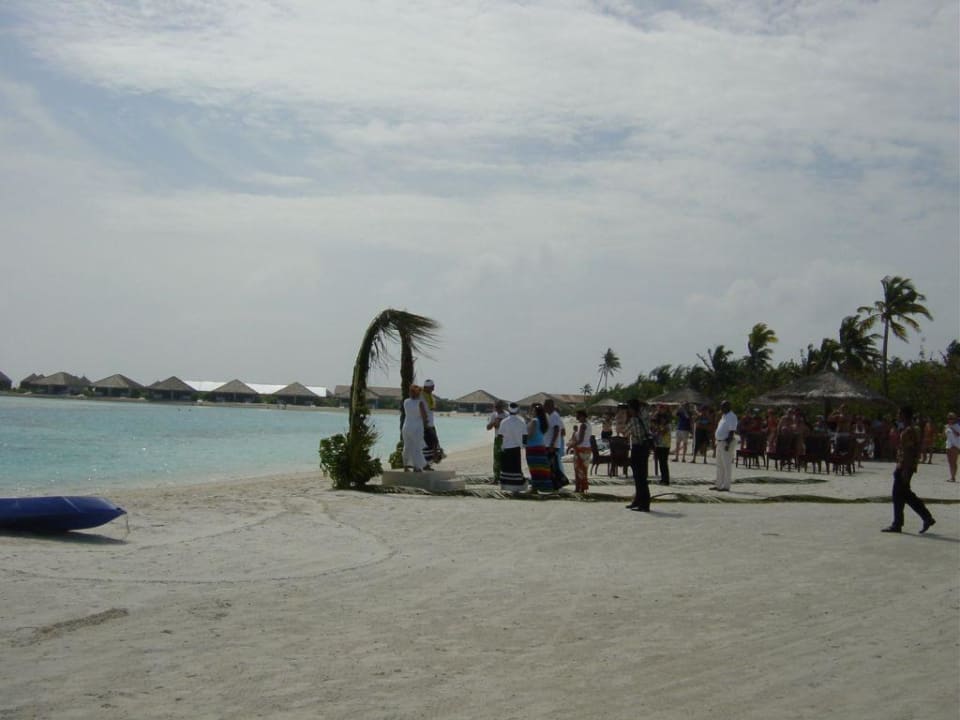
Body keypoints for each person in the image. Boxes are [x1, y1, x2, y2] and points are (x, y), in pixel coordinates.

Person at [882, 405, 935, 534]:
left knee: (901, 494)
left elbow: (909, 451)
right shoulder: (910, 429)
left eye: (899, 413)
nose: (897, 415)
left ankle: (903, 522)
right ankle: (903, 522)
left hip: (905, 466)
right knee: (902, 494)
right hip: (904, 465)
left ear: (904, 415)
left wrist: (906, 468)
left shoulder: (909, 431)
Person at [625, 398, 653, 511]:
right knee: (642, 476)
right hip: (645, 448)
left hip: (638, 448)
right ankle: (638, 500)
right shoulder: (645, 417)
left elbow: (625, 431)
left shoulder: (634, 420)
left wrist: (627, 418)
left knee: (639, 477)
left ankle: (644, 503)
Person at [498, 403, 527, 493]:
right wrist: (524, 445)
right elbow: (525, 435)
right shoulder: (521, 421)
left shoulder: (504, 421)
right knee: (515, 468)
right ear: (517, 410)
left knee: (506, 468)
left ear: (509, 410)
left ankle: (506, 487)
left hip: (506, 447)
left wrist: (499, 446)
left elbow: (500, 435)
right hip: (516, 447)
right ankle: (516, 487)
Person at [525, 403, 553, 493]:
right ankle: (544, 486)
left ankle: (534, 487)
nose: (532, 412)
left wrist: (522, 438)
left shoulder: (534, 421)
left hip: (532, 447)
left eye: (533, 410)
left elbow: (530, 435)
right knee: (541, 467)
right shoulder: (543, 421)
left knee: (534, 468)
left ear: (536, 412)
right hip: (541, 446)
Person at [401, 385, 429, 472]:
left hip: (406, 426)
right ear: (418, 393)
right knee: (416, 447)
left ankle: (405, 466)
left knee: (407, 446)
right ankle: (416, 467)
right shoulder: (419, 403)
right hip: (416, 427)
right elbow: (424, 416)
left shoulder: (406, 402)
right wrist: (426, 422)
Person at [712, 400, 738, 492]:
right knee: (719, 464)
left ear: (728, 407)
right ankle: (718, 484)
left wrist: (728, 444)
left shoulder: (732, 416)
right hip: (719, 442)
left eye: (722, 407)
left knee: (726, 465)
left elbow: (731, 431)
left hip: (726, 442)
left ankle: (726, 486)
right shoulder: (724, 416)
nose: (721, 408)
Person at [544, 399, 568, 490]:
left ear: (549, 406)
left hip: (552, 445)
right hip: (549, 444)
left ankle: (559, 483)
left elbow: (557, 429)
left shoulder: (554, 416)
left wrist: (552, 444)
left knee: (553, 466)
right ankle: (555, 484)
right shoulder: (550, 416)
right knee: (552, 466)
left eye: (545, 405)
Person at [421, 379, 442, 466]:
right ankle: (426, 464)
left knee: (434, 444)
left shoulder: (431, 397)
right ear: (426, 387)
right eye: (432, 387)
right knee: (429, 445)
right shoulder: (421, 397)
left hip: (431, 424)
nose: (433, 389)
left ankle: (429, 463)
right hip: (425, 425)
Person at [486, 400, 508, 483]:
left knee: (505, 458)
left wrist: (501, 422)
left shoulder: (507, 415)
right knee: (496, 459)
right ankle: (496, 477)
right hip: (497, 438)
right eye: (496, 407)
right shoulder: (494, 415)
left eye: (499, 407)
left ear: (503, 407)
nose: (497, 409)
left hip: (506, 439)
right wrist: (494, 422)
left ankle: (504, 477)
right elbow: (488, 428)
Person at [572, 409, 593, 493]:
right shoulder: (588, 424)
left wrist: (571, 445)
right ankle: (582, 487)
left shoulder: (583, 425)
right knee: (584, 469)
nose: (577, 418)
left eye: (578, 416)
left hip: (581, 449)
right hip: (587, 448)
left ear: (582, 416)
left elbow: (580, 440)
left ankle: (579, 487)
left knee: (578, 469)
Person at [651, 404, 672, 486]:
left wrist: (657, 430)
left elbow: (663, 432)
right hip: (659, 444)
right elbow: (653, 424)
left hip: (665, 444)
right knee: (661, 462)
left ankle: (666, 479)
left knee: (664, 462)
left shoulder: (668, 424)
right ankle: (663, 479)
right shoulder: (658, 420)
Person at [945, 412, 960, 482]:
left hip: (955, 445)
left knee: (954, 462)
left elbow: (958, 434)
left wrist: (952, 428)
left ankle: (953, 477)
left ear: (955, 419)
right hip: (948, 444)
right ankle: (951, 476)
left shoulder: (957, 426)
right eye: (949, 418)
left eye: (952, 418)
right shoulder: (947, 426)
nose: (950, 420)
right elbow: (946, 435)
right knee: (950, 461)